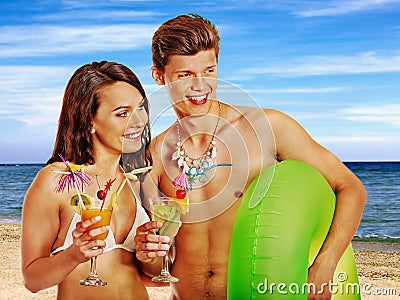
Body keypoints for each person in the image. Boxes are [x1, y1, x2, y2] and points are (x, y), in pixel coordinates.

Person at [134, 14, 367, 299]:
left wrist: (325, 264)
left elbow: (351, 188)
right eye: (185, 75)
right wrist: (148, 253)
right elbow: (157, 266)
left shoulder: (268, 128)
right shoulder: (153, 156)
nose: (200, 86)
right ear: (160, 76)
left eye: (209, 71)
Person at [21, 61, 169, 299]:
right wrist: (73, 254)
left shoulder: (136, 180)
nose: (138, 122)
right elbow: (33, 280)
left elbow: (153, 277)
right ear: (88, 121)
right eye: (122, 113)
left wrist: (149, 254)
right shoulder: (56, 181)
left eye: (140, 109)